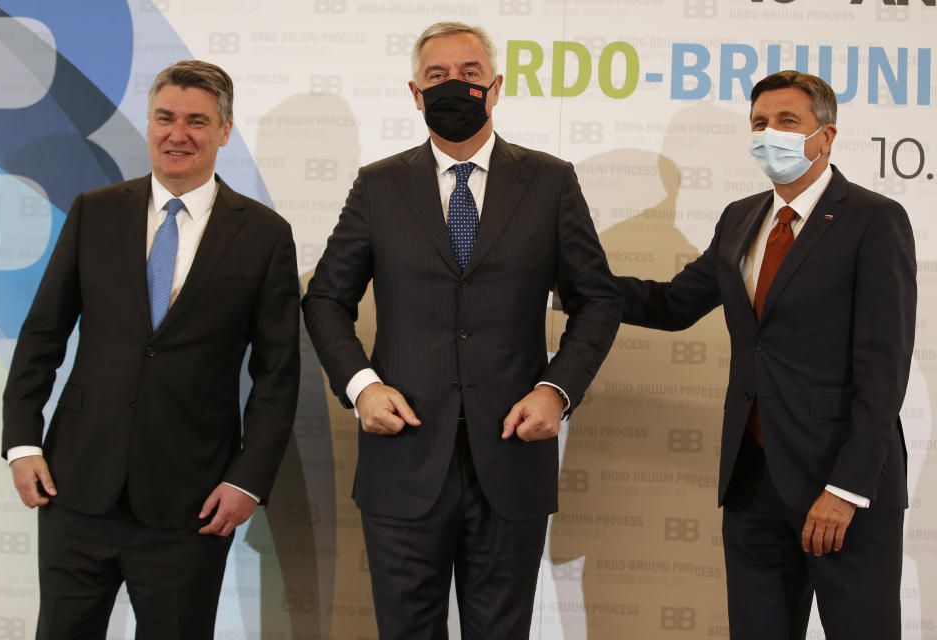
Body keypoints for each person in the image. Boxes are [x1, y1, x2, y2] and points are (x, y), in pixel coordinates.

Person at [302, 21, 621, 639]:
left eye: (470, 74)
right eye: (438, 77)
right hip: (402, 461)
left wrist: (557, 391)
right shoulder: (378, 185)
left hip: (512, 458)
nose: (455, 86)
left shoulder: (551, 181)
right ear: (415, 94)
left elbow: (598, 300)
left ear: (495, 87)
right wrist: (361, 385)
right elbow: (324, 300)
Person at [1, 60, 301, 639]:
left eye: (196, 120)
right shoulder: (95, 210)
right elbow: (43, 334)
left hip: (191, 504)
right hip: (75, 488)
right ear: (148, 123)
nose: (177, 133)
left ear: (224, 130)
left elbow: (278, 373)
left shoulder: (264, 235)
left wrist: (247, 480)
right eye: (164, 117)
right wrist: (20, 442)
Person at [615, 70, 915, 639]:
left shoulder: (874, 220)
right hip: (753, 484)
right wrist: (576, 286)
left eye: (786, 121)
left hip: (841, 486)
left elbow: (884, 368)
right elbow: (676, 303)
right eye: (759, 122)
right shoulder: (741, 218)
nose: (768, 133)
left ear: (825, 136)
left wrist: (847, 489)